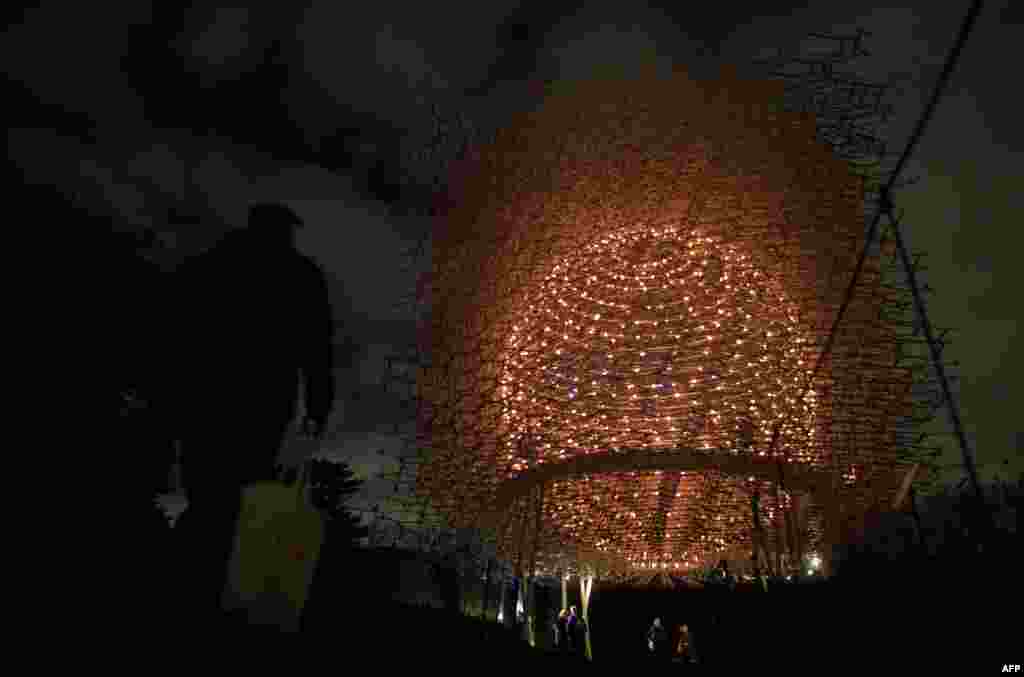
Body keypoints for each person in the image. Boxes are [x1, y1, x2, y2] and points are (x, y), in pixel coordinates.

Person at [169, 202, 335, 628]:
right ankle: (224, 599)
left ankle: (190, 592)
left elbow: (176, 327)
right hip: (259, 400)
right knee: (240, 495)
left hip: (207, 399)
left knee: (208, 493)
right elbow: (317, 349)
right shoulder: (299, 276)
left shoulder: (210, 265)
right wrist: (317, 407)